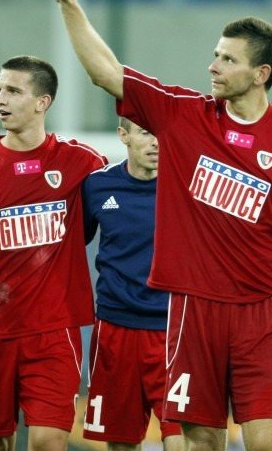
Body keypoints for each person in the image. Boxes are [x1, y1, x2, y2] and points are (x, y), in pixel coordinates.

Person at [42, 0, 272, 451]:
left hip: (263, 312)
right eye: (215, 55)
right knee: (201, 442)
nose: (213, 66)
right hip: (192, 312)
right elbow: (105, 72)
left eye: (227, 59)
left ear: (261, 74)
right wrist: (69, 2)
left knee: (270, 440)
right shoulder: (184, 116)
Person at [0, 55, 107, 451]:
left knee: (49, 441)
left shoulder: (82, 162)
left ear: (43, 102)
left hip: (54, 331)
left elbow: (116, 214)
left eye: (13, 91)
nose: (0, 99)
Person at [81, 117, 184, 451]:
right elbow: (74, 243)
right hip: (115, 330)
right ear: (123, 135)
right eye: (145, 133)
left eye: (161, 133)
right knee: (120, 442)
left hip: (173, 331)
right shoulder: (97, 185)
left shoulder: (187, 185)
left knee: (182, 436)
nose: (156, 142)